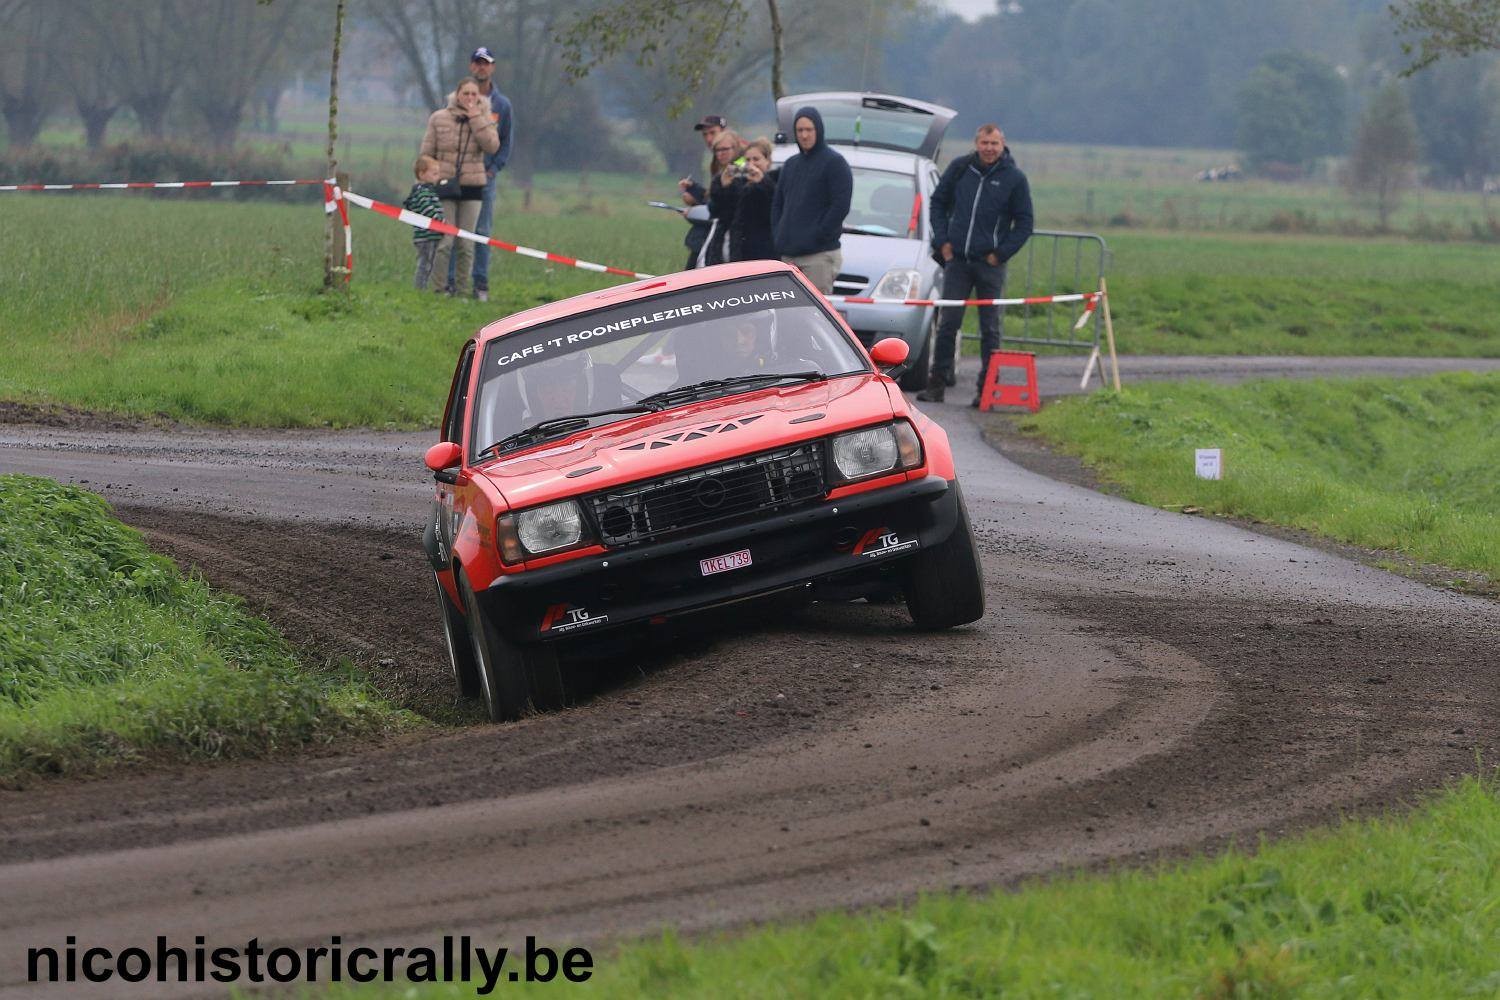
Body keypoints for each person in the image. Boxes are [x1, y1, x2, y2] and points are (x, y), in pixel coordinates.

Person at [918, 123, 1033, 405]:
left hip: (990, 266)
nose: (989, 148)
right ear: (976, 143)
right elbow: (937, 203)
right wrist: (942, 242)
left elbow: (1025, 222)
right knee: (947, 325)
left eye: (994, 143)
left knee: (990, 329)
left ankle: (986, 390)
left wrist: (1000, 254)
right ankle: (936, 384)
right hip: (957, 261)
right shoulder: (960, 169)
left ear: (1002, 144)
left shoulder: (1014, 178)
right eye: (985, 143)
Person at [420, 77, 500, 298]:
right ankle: (439, 289)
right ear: (457, 95)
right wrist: (430, 177)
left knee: (466, 242)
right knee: (445, 241)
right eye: (466, 94)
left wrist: (476, 118)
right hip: (446, 186)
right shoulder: (439, 118)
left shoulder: (485, 118)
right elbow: (426, 152)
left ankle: (463, 291)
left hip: (473, 187)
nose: (470, 98)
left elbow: (492, 146)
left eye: (474, 94)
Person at [770, 106, 852, 294]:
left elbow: (840, 205)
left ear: (819, 130)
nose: (804, 135)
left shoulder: (834, 163)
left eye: (809, 130)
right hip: (788, 255)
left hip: (818, 256)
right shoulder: (791, 164)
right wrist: (778, 233)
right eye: (800, 130)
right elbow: (778, 204)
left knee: (814, 317)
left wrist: (819, 234)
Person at [464, 47, 514, 303]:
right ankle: (454, 283)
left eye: (486, 63)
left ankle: (480, 284)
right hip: (460, 177)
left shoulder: (502, 105)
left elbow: (506, 142)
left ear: (492, 67)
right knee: (456, 231)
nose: (481, 67)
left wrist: (493, 170)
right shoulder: (461, 99)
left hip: (485, 179)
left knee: (482, 231)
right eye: (477, 63)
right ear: (471, 66)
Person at [678, 114, 727, 269]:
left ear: (725, 131)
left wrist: (694, 209)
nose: (708, 138)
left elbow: (726, 201)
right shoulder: (716, 161)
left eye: (713, 133)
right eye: (705, 134)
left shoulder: (736, 161)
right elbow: (715, 196)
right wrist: (694, 190)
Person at [699, 130, 746, 267]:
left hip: (742, 236)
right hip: (722, 234)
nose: (720, 154)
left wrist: (727, 187)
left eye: (724, 149)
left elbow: (739, 204)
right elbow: (714, 208)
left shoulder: (744, 168)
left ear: (735, 148)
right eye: (717, 151)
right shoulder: (719, 175)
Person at [728, 137, 776, 262]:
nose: (752, 164)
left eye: (756, 159)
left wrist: (762, 182)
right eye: (748, 160)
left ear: (768, 161)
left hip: (768, 254)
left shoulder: (776, 183)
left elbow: (776, 208)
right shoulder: (741, 185)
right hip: (743, 255)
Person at [403, 155, 446, 290]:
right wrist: (441, 223)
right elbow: (428, 209)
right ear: (422, 174)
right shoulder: (423, 192)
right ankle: (420, 288)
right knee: (425, 264)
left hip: (428, 235)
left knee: (427, 263)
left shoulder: (427, 190)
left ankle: (422, 287)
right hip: (427, 235)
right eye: (434, 173)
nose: (437, 177)